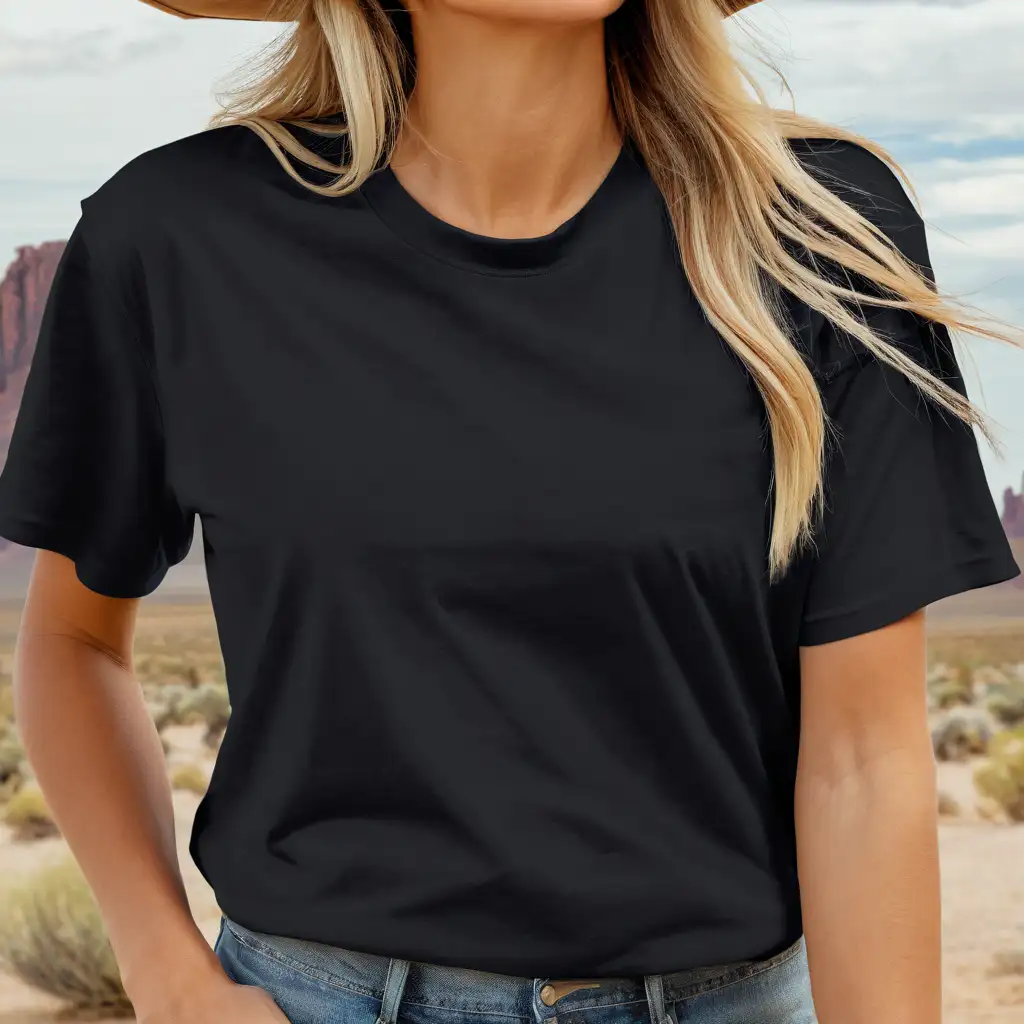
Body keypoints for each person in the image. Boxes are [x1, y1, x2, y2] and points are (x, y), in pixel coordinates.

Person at [0, 0, 1018, 1021]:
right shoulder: (181, 234)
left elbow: (863, 763)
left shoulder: (816, 229)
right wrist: (169, 978)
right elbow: (74, 641)